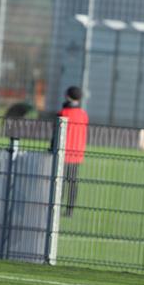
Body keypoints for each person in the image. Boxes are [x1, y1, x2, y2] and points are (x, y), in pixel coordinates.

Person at [58, 86, 89, 217]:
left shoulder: (63, 113)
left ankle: (57, 206)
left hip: (63, 152)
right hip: (77, 153)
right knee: (72, 182)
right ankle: (70, 210)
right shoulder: (83, 114)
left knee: (59, 181)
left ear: (67, 96)